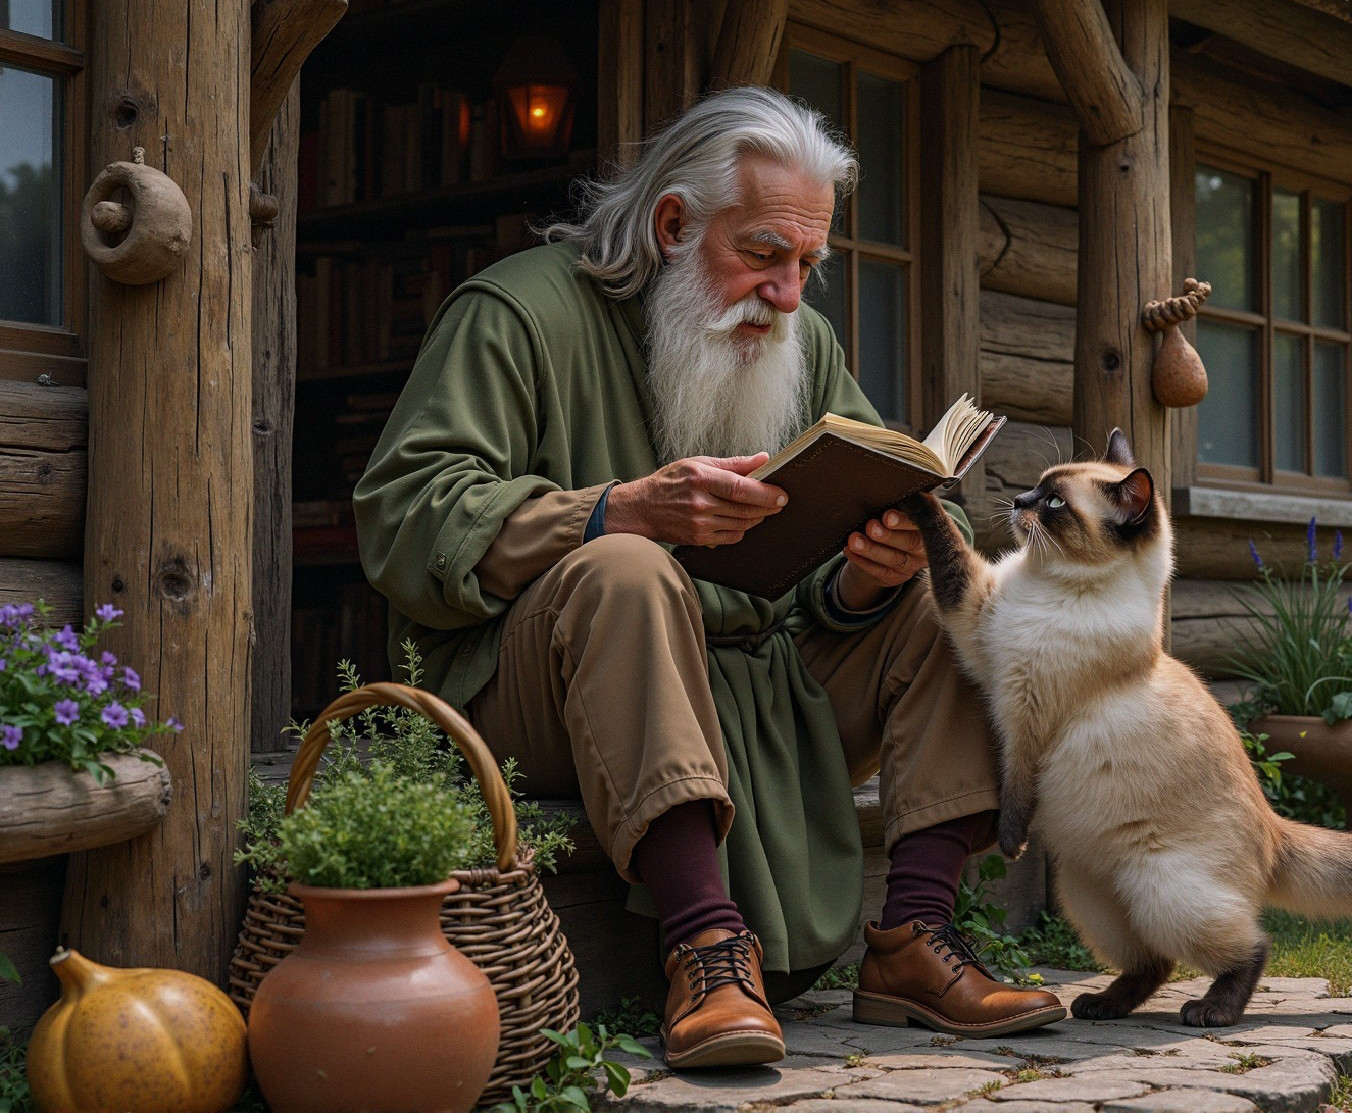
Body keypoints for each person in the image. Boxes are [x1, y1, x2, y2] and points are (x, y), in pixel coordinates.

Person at [353, 86, 1066, 1069]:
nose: (786, 295)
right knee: (627, 569)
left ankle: (911, 941)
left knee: (940, 583)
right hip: (545, 694)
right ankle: (702, 947)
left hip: (755, 684)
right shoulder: (516, 312)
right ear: (673, 223)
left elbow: (867, 521)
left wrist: (868, 576)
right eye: (764, 253)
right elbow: (403, 516)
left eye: (807, 265)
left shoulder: (801, 342)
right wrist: (616, 510)